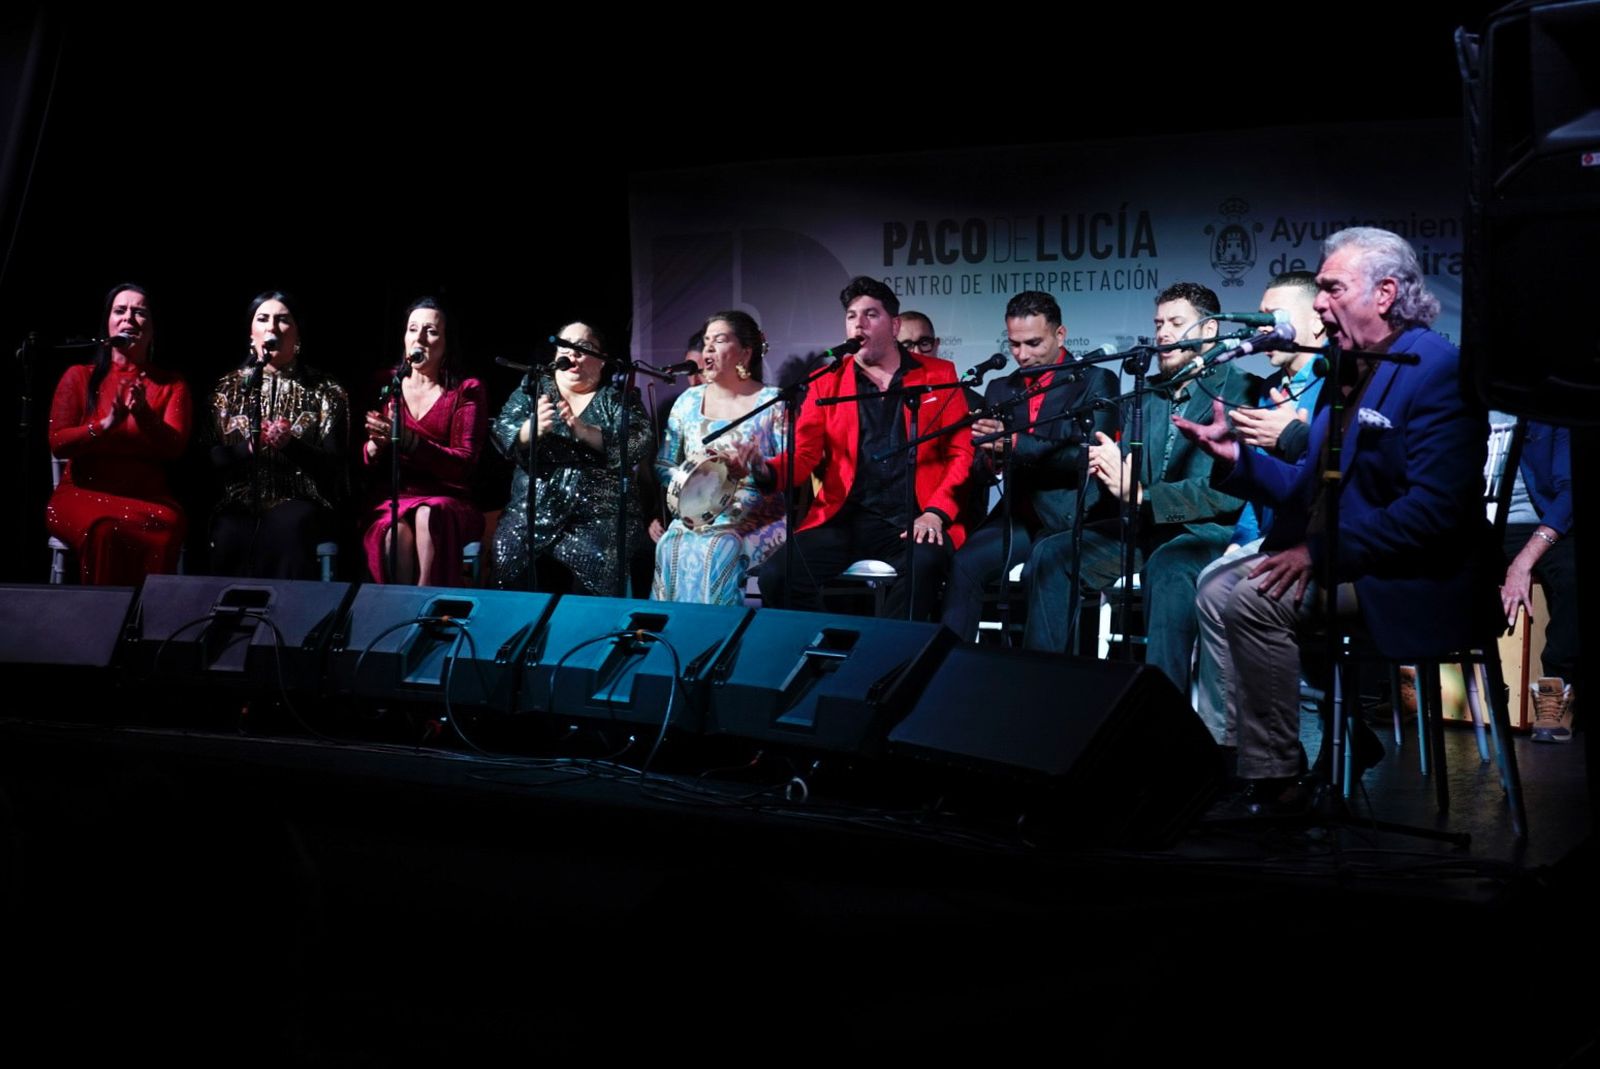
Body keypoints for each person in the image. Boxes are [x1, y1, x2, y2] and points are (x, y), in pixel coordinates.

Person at [1174, 227, 1493, 810]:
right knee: (1219, 590)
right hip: (1352, 558)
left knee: (1252, 598)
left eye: (1332, 288)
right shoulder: (1346, 368)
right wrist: (1237, 461)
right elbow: (1307, 488)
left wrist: (1317, 554)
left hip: (1414, 572)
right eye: (1318, 289)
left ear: (1386, 293)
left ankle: (1278, 780)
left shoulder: (1436, 368)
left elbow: (1434, 513)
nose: (1319, 303)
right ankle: (1281, 757)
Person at [1023, 282, 1254, 697]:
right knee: (1053, 553)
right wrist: (1111, 474)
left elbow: (1225, 493)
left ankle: (1164, 715)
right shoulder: (1147, 394)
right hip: (1144, 524)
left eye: (1176, 322)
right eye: (1159, 323)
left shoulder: (1241, 390)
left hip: (1209, 533)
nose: (1163, 333)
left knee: (1167, 567)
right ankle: (1045, 693)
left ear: (1210, 330)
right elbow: (1130, 482)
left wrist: (1142, 495)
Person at [744, 277, 973, 620]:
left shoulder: (939, 374)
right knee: (778, 576)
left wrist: (935, 513)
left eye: (870, 315)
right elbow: (804, 455)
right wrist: (766, 469)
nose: (858, 324)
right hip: (845, 518)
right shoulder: (826, 382)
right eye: (852, 316)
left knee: (926, 565)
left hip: (914, 517)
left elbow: (960, 452)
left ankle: (889, 663)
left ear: (894, 325)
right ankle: (828, 652)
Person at [1192, 272, 1329, 747]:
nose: (1262, 329)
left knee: (1240, 593)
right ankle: (1222, 744)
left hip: (1320, 544)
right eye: (1261, 318)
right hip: (1269, 537)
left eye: (1277, 318)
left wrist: (1296, 439)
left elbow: (1326, 484)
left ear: (1317, 322)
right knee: (1214, 580)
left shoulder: (1331, 389)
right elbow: (1259, 496)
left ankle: (1269, 749)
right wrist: (1237, 543)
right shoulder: (1268, 388)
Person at [940, 291, 1119, 642]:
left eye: (1033, 343)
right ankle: (945, 671)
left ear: (1060, 335)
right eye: (1014, 345)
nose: (1022, 355)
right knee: (964, 565)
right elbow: (980, 469)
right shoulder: (999, 389)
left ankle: (1039, 683)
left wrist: (1015, 444)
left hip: (1073, 515)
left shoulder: (1096, 381)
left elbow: (1086, 455)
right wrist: (990, 459)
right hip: (1018, 516)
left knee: (1046, 567)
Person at [489, 320, 653, 596]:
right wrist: (532, 429)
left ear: (601, 361)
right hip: (532, 513)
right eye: (566, 347)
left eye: (584, 348)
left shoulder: (616, 399)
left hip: (601, 516)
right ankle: (517, 638)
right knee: (508, 552)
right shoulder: (534, 390)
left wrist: (587, 432)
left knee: (601, 559)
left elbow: (639, 441)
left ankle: (586, 637)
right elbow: (501, 429)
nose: (573, 355)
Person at [46, 283, 191, 584]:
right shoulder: (79, 376)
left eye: (139, 312)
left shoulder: (171, 385)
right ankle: (101, 624)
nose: (129, 318)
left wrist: (144, 415)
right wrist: (105, 425)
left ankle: (148, 623)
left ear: (152, 329)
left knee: (169, 525)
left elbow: (175, 447)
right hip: (82, 494)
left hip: (147, 498)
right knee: (105, 530)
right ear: (108, 324)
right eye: (120, 311)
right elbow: (58, 443)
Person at [207, 291, 348, 579]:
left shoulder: (326, 390)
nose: (272, 327)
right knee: (230, 529)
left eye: (283, 320)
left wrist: (291, 446)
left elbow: (334, 467)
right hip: (239, 499)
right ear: (251, 333)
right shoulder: (226, 389)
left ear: (297, 335)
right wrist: (247, 448)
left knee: (289, 526)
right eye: (263, 319)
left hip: (299, 498)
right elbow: (207, 457)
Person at [651, 312, 786, 606]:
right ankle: (672, 640)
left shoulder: (773, 401)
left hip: (757, 514)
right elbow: (663, 464)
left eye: (720, 340)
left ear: (746, 353)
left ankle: (718, 640)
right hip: (698, 511)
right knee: (670, 544)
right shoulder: (687, 401)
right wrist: (697, 476)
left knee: (720, 546)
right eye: (706, 341)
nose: (708, 348)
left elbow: (793, 467)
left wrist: (757, 467)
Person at [361, 297, 486, 586]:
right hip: (395, 497)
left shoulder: (466, 389)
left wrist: (410, 441)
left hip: (449, 498)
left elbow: (464, 464)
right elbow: (359, 461)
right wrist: (375, 447)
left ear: (446, 342)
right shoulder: (386, 383)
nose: (419, 339)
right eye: (412, 329)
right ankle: (398, 611)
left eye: (430, 331)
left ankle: (428, 604)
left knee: (429, 513)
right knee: (394, 531)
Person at [1497, 418, 1576, 742]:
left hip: (1541, 526)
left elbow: (1569, 490)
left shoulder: (1546, 412)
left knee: (1572, 576)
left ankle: (1555, 689)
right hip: (1479, 526)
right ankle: (1412, 679)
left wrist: (1524, 560)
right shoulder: (1459, 404)